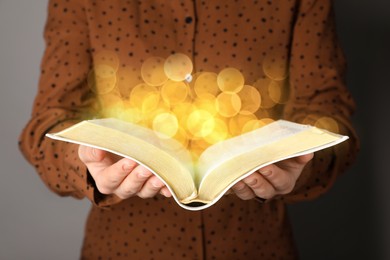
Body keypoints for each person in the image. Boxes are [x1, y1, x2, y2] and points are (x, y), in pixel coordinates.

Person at [19, 0, 358, 259]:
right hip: (124, 247)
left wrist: (302, 164)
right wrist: (86, 163)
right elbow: (44, 126)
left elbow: (329, 112)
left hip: (256, 245)